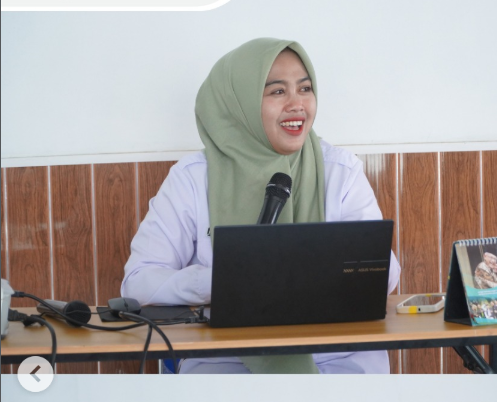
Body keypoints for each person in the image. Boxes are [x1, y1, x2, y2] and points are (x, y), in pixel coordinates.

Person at [122, 38, 400, 374]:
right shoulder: (193, 179)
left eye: (305, 88)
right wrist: (221, 282)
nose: (297, 104)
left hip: (335, 353)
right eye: (277, 92)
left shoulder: (340, 170)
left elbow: (384, 274)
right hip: (225, 354)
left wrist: (286, 277)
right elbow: (137, 283)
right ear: (238, 103)